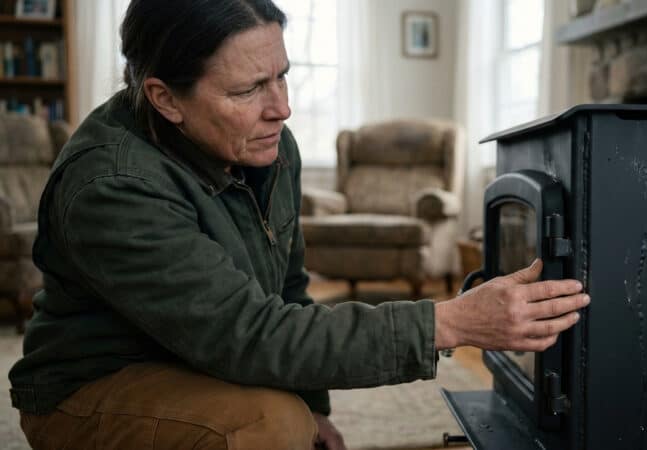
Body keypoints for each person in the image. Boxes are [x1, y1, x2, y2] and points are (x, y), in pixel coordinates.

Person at [7, 1, 591, 449]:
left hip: (191, 355)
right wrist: (450, 322)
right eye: (249, 89)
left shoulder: (268, 145)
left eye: (281, 75)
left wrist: (318, 408)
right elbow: (252, 334)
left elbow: (287, 291)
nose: (281, 107)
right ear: (165, 99)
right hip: (93, 386)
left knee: (294, 417)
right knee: (269, 424)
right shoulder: (112, 187)